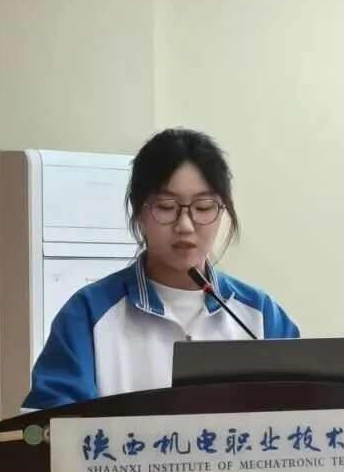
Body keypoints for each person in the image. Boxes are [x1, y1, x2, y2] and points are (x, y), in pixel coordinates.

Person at [22, 128, 300, 410]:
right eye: (166, 207)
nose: (185, 226)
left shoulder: (259, 315)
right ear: (139, 210)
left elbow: (307, 411)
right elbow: (51, 424)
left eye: (204, 207)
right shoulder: (88, 314)